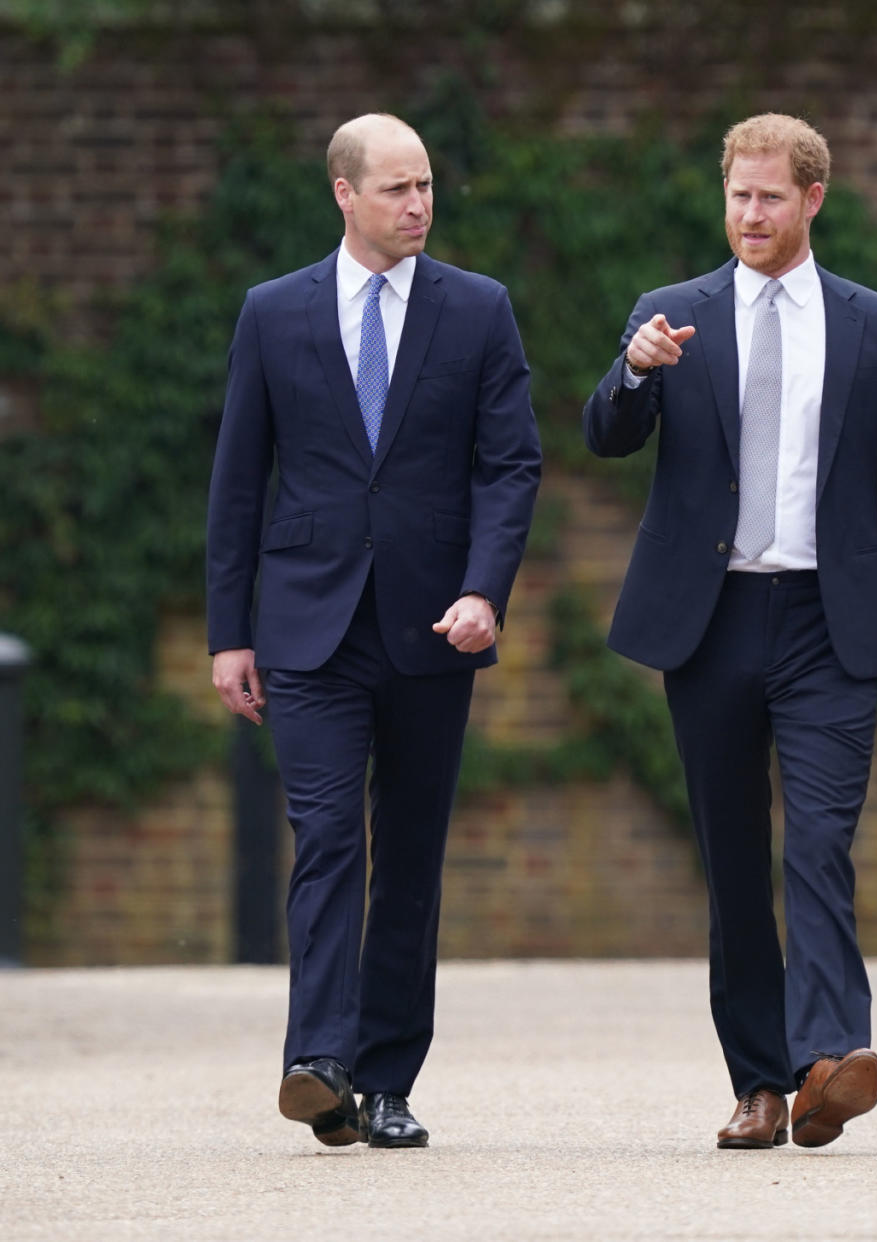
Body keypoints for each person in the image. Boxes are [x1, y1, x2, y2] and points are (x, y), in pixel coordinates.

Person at [583, 114, 877, 1150]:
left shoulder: (876, 325)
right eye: (739, 195)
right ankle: (759, 1081)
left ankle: (833, 1058)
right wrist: (635, 370)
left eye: (771, 197)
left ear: (813, 200)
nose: (751, 214)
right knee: (736, 857)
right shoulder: (671, 316)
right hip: (710, 624)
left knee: (823, 843)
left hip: (827, 624)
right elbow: (604, 434)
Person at [207, 113, 541, 1149]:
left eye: (427, 184)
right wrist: (230, 631)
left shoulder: (479, 310)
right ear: (344, 195)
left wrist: (486, 590)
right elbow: (237, 482)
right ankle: (318, 1060)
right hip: (307, 629)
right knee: (328, 837)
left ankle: (387, 1079)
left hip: (434, 630)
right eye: (397, 188)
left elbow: (511, 466)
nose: (419, 205)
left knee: (410, 854)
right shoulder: (273, 314)